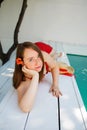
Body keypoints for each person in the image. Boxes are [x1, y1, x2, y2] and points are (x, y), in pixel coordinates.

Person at [13, 41, 62, 113]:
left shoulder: (42, 55)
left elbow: (54, 66)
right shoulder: (22, 81)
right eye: (31, 59)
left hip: (41, 47)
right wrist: (35, 76)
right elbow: (25, 108)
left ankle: (56, 55)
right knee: (51, 58)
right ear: (21, 62)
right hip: (37, 52)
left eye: (38, 57)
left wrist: (55, 84)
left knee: (55, 55)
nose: (38, 62)